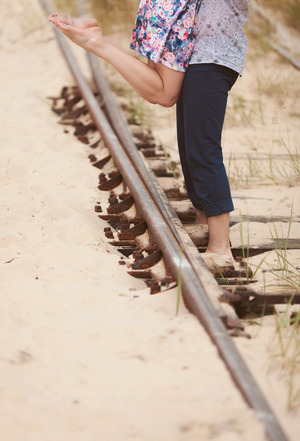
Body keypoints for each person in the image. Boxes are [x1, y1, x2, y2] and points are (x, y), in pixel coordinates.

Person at [49, 0, 249, 263]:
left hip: (211, 51)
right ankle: (203, 220)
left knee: (202, 147)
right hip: (190, 42)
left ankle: (220, 246)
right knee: (190, 144)